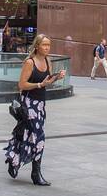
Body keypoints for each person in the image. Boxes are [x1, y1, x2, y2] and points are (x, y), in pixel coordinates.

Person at [5, 34, 64, 186]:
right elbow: (22, 85)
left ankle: (14, 160)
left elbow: (47, 82)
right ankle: (35, 174)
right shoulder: (29, 62)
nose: (47, 48)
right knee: (38, 138)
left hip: (40, 105)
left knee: (28, 136)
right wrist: (38, 85)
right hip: (28, 103)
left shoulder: (47, 60)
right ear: (37, 46)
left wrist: (56, 78)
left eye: (49, 45)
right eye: (44, 45)